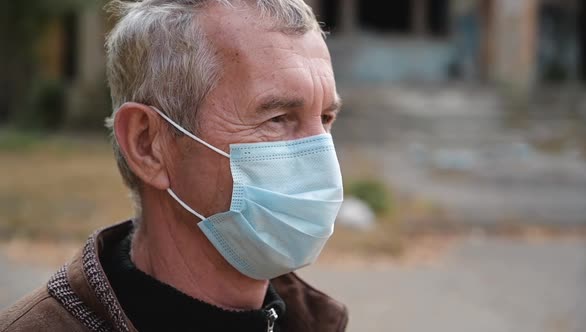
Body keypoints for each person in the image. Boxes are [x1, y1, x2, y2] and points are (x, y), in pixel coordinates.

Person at [0, 0, 348, 331]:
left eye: (326, 118)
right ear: (147, 144)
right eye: (277, 118)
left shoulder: (312, 322)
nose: (320, 155)